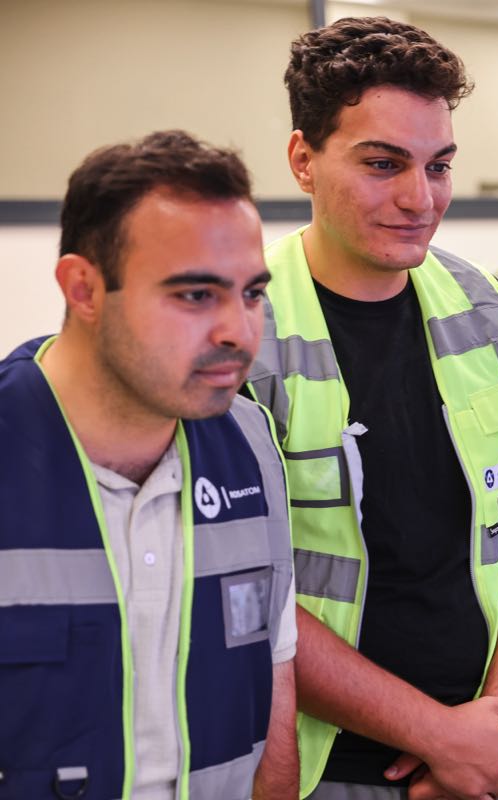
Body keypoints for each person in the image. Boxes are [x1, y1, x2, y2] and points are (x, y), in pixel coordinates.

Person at [245, 16, 498, 800]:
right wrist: (436, 737)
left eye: (439, 166)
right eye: (383, 164)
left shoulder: (484, 306)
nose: (419, 198)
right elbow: (249, 593)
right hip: (324, 767)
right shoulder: (242, 332)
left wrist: (488, 736)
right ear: (303, 160)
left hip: (489, 756)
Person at [0, 131, 297, 799]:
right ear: (83, 288)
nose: (238, 331)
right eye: (195, 295)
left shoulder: (249, 441)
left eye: (251, 293)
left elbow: (274, 695)